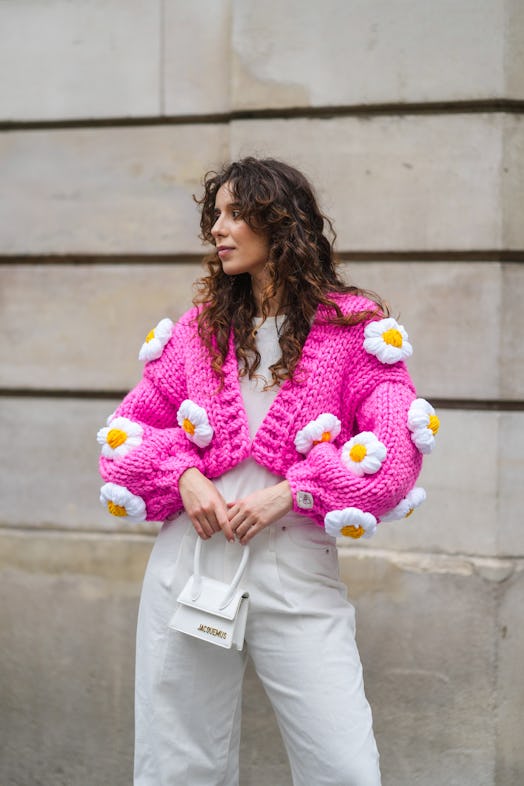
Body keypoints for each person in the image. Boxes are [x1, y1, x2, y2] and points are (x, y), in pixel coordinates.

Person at [98, 157, 437, 786]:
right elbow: (126, 437)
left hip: (295, 567)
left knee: (344, 766)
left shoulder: (352, 330)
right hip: (190, 566)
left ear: (278, 222)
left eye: (234, 214)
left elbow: (393, 456)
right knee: (179, 764)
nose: (218, 231)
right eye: (216, 216)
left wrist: (297, 489)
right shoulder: (202, 329)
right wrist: (184, 477)